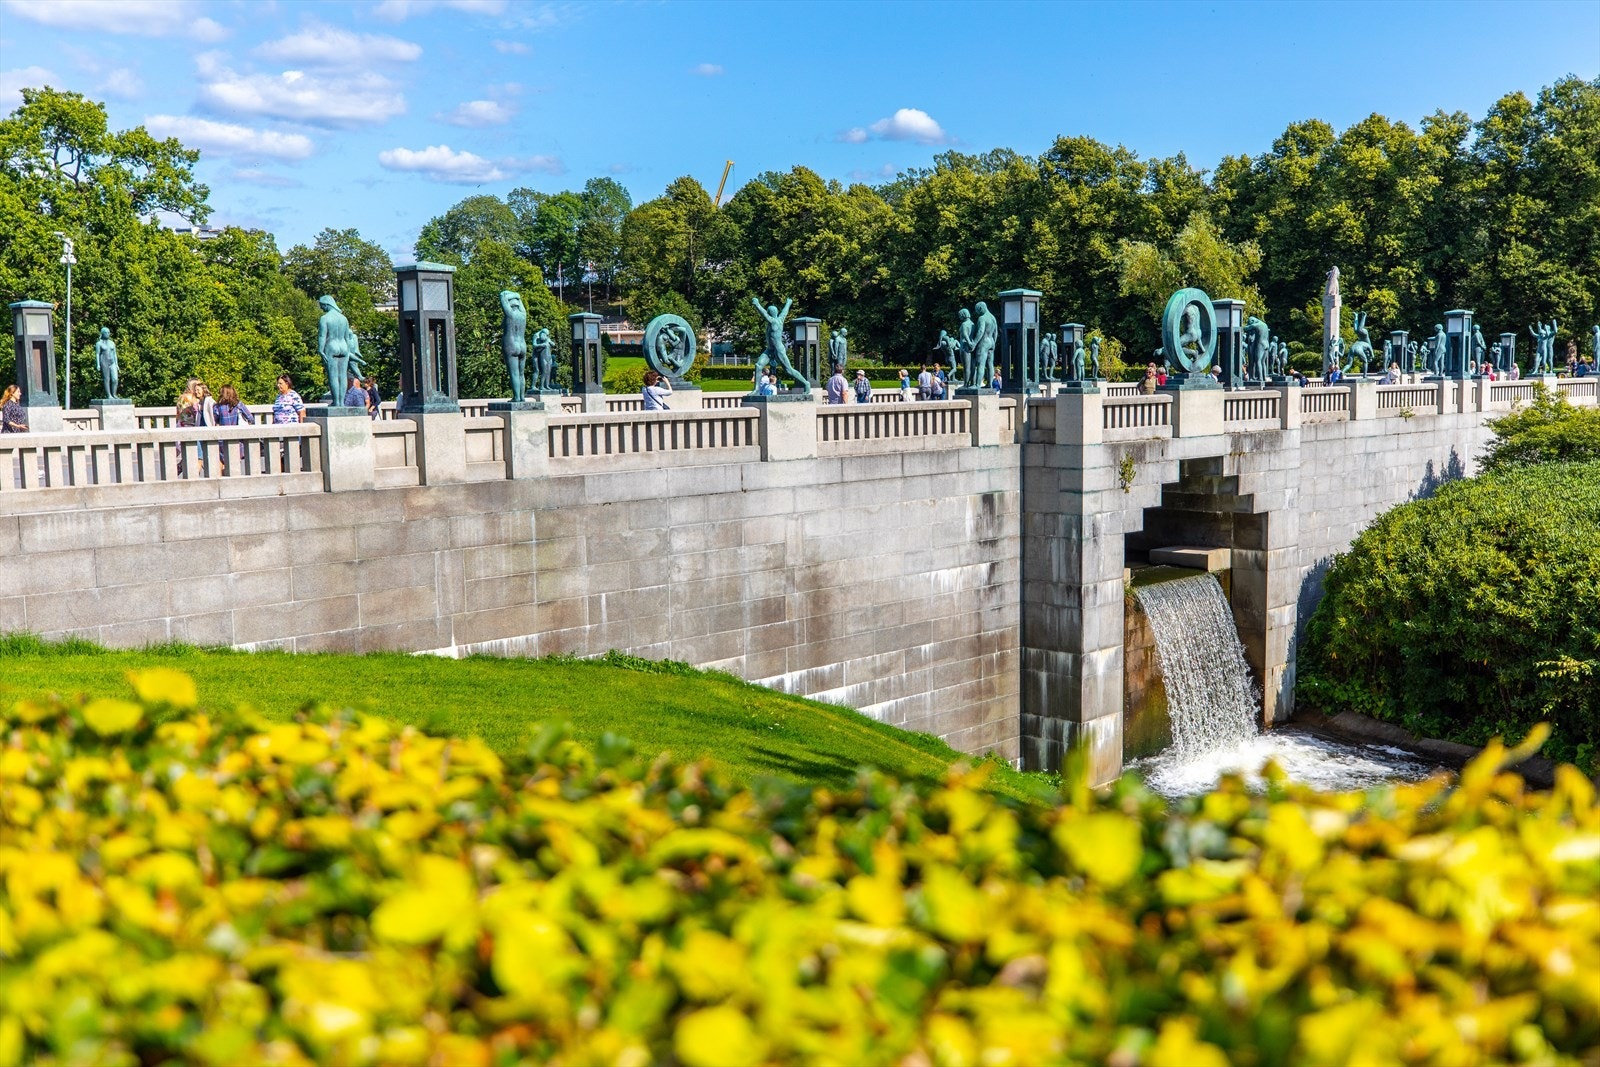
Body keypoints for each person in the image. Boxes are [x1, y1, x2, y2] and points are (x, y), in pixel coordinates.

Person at [212, 384, 255, 474]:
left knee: (222, 460)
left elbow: (215, 420)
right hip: (237, 438)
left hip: (222, 438)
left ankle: (222, 478)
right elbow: (250, 418)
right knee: (235, 462)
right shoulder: (239, 404)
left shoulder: (217, 407)